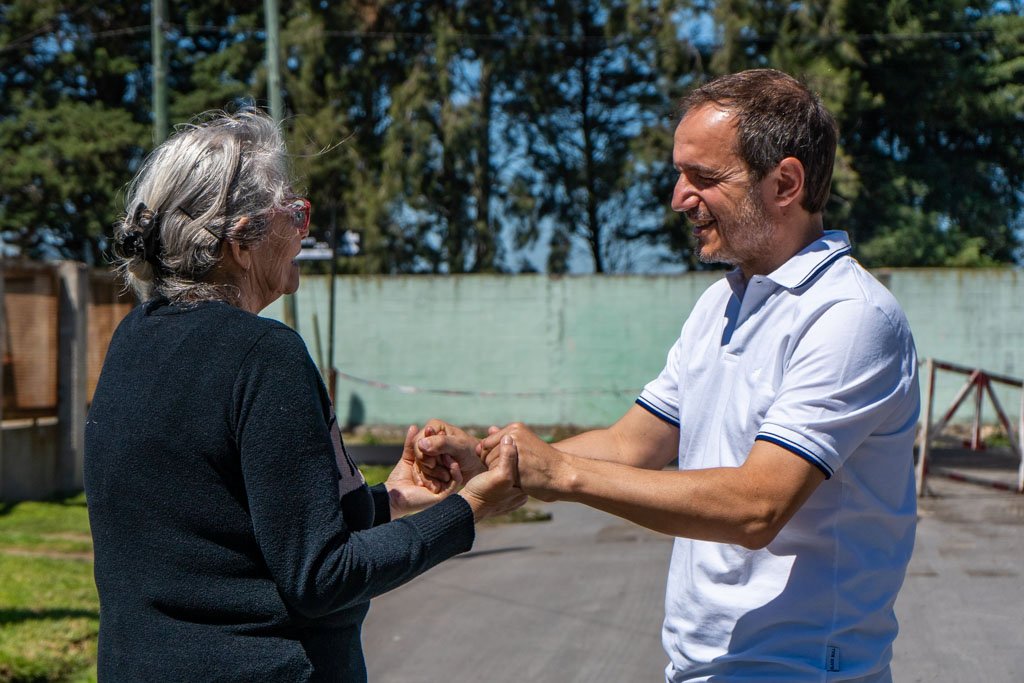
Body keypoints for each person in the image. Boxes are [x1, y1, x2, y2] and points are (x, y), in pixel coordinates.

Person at [422, 69, 919, 682]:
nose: (680, 197)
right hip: (704, 666)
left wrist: (562, 471)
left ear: (785, 182)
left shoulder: (849, 318)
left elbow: (756, 506)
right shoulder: (723, 304)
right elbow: (632, 444)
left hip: (799, 669)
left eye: (705, 178)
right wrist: (497, 463)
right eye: (680, 174)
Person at [84, 109, 524, 682]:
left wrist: (387, 499)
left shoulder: (135, 337)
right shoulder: (264, 354)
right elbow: (321, 577)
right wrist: (471, 510)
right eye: (293, 214)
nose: (303, 233)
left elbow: (225, 526)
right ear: (241, 241)